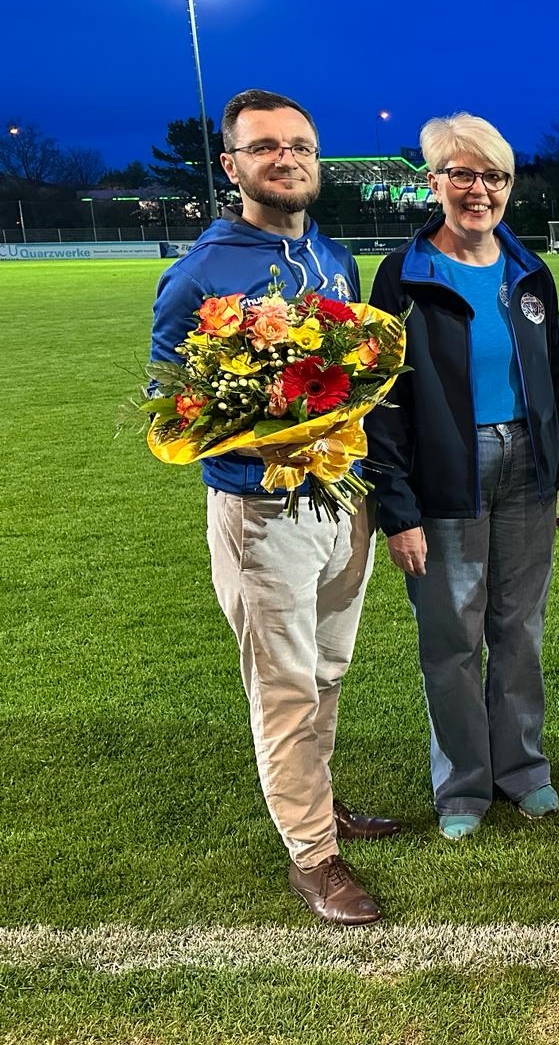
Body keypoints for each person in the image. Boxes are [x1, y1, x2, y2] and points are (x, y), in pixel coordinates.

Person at [148, 89, 398, 927]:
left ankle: (315, 807)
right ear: (232, 165)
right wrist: (262, 440)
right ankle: (313, 857)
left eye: (299, 146)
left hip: (340, 504)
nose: (285, 159)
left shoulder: (334, 258)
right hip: (261, 516)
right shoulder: (197, 276)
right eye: (264, 148)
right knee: (285, 687)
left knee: (326, 672)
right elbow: (167, 405)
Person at [367, 114, 559, 842]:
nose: (479, 190)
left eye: (494, 176)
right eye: (462, 174)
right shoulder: (402, 275)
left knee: (519, 628)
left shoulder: (529, 271)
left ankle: (521, 769)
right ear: (435, 182)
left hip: (528, 463)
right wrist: (396, 510)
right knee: (451, 636)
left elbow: (556, 380)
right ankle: (463, 782)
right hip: (445, 476)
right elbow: (382, 401)